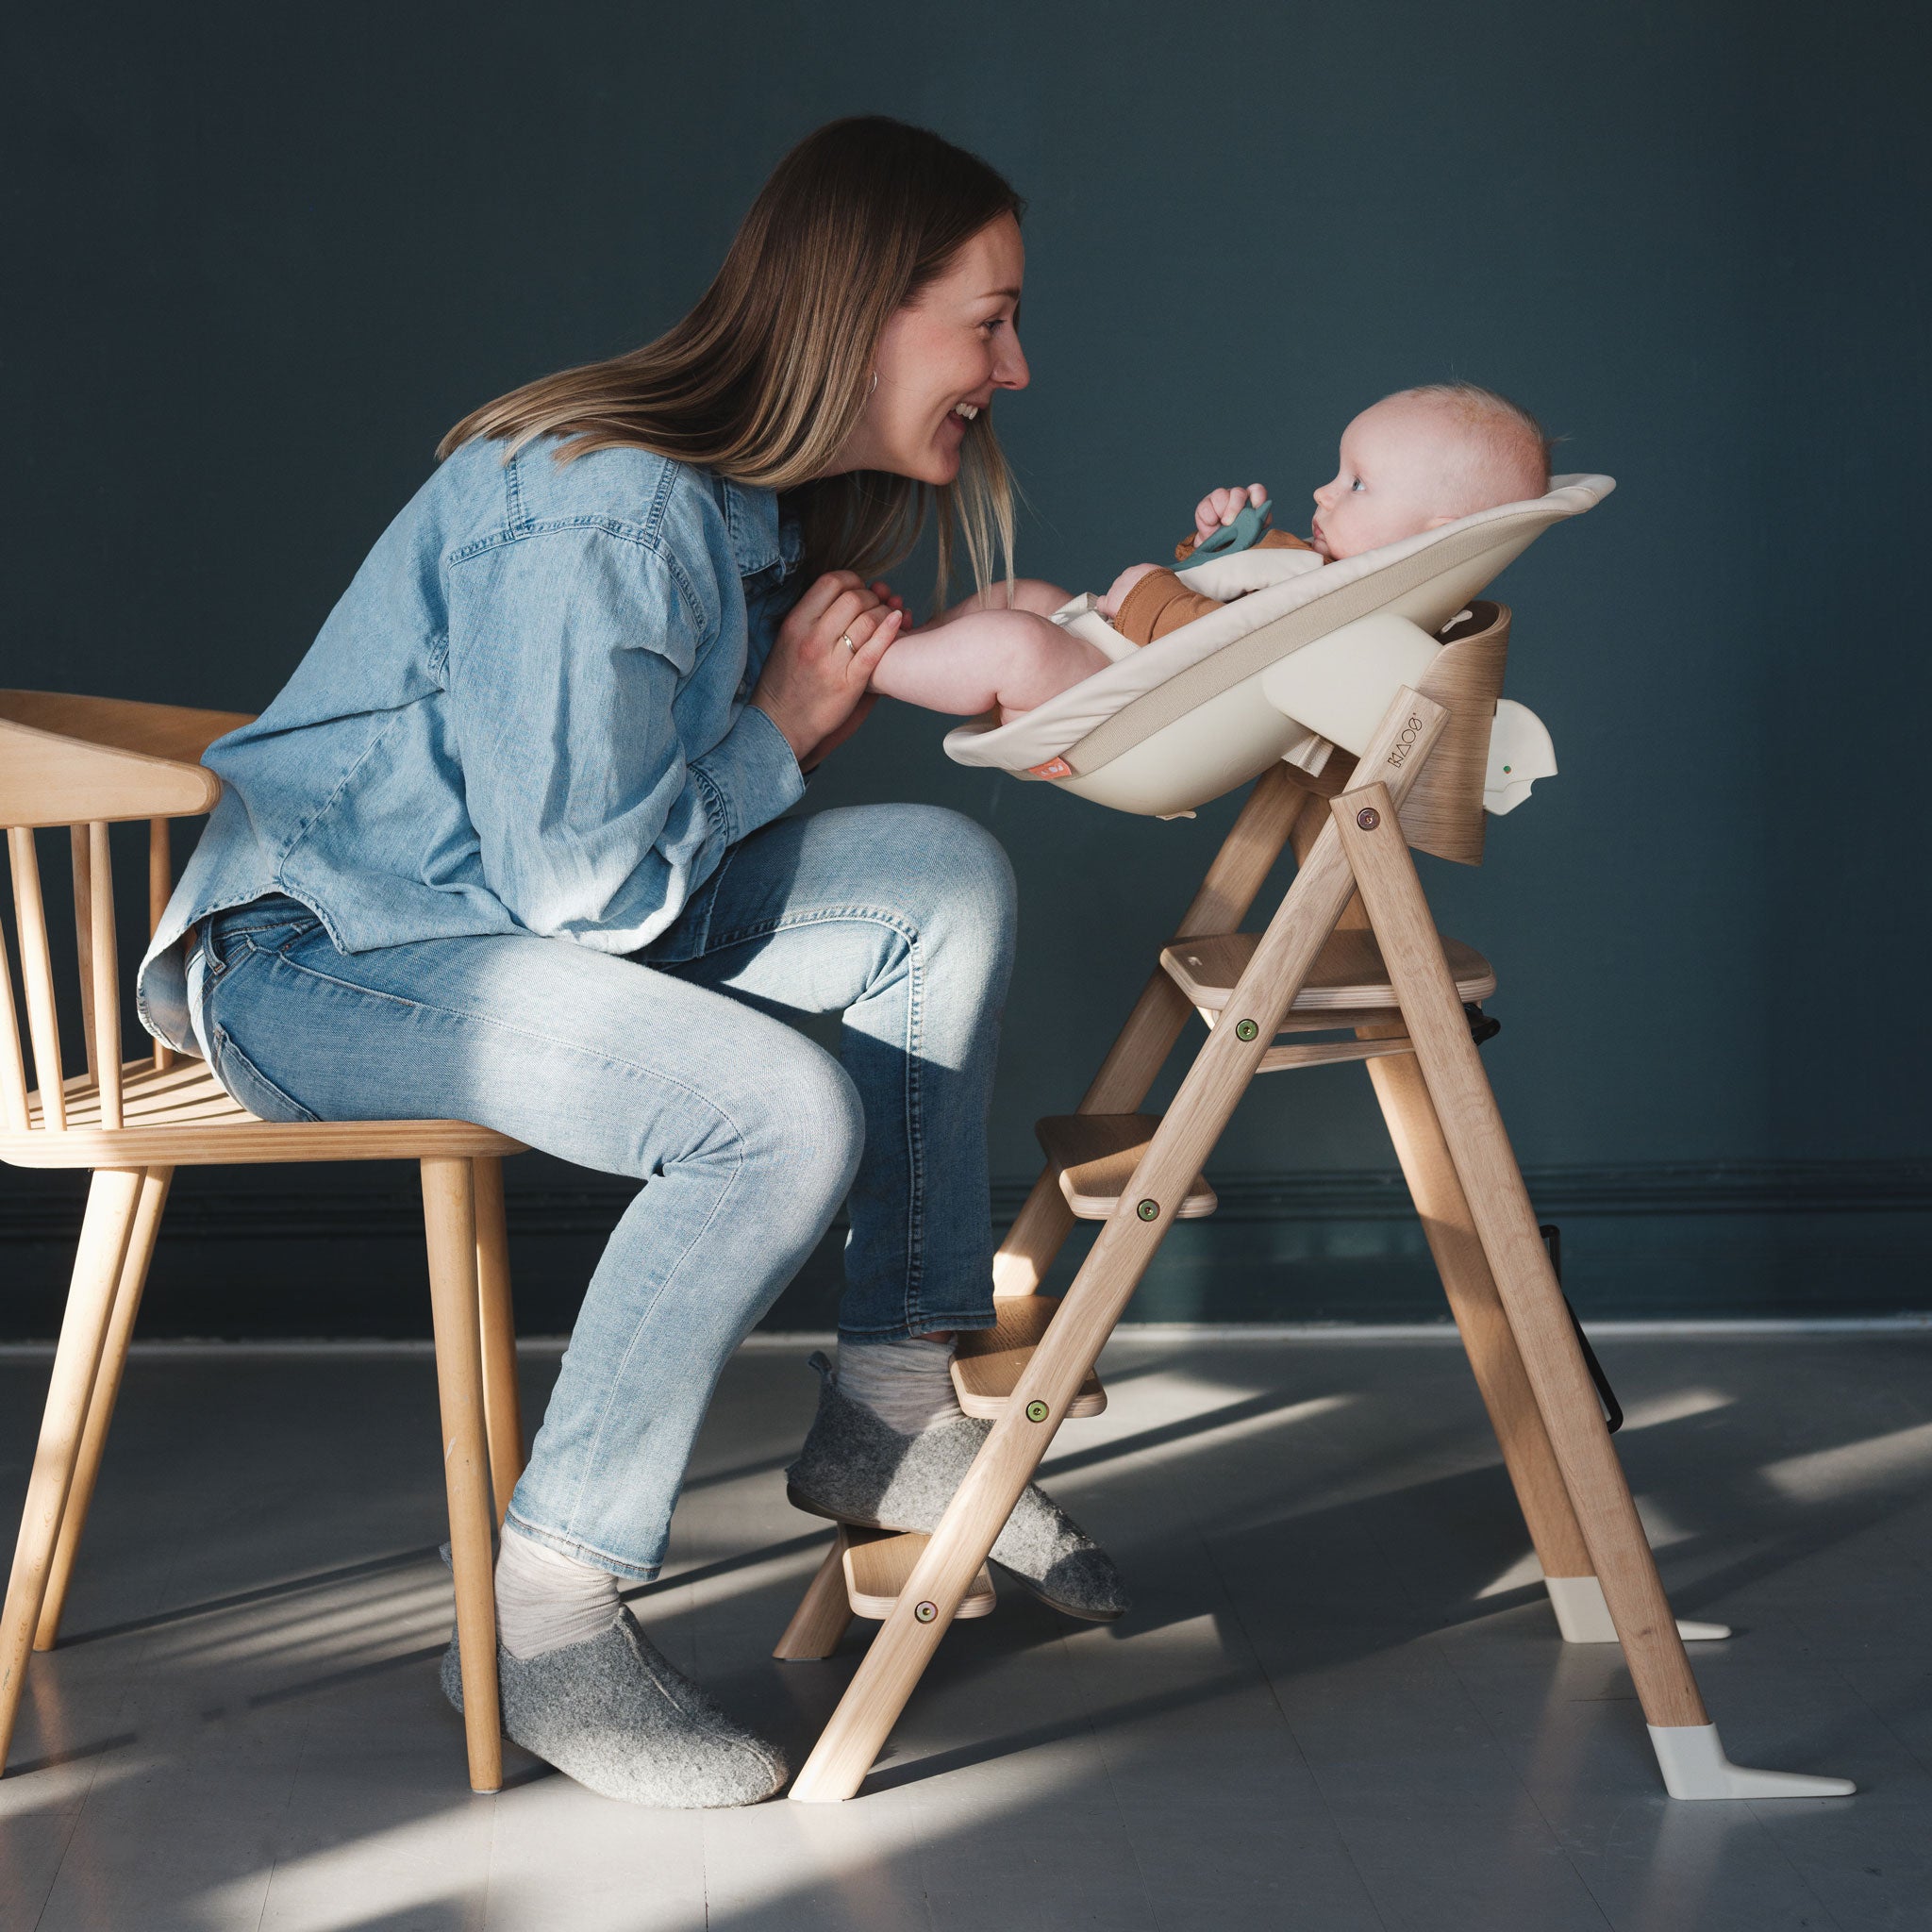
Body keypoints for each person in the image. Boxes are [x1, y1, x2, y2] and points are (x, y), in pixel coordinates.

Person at [135, 116, 1125, 1809]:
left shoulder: (742, 514)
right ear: (864, 313)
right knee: (772, 1111)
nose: (1015, 367)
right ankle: (544, 1618)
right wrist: (783, 728)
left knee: (937, 879)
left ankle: (890, 1405)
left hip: (493, 924)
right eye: (990, 320)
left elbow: (616, 864)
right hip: (327, 958)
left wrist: (994, 649)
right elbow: (587, 887)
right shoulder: (605, 511)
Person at [866, 383, 1552, 721]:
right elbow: (1211, 586)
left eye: (1357, 484)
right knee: (1024, 597)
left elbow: (1223, 651)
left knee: (1015, 644)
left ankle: (862, 663)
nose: (1323, 491)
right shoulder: (1314, 565)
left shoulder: (1341, 615)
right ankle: (903, 644)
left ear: (1435, 534)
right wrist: (1218, 540)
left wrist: (1146, 595)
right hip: (1113, 647)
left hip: (1127, 700)